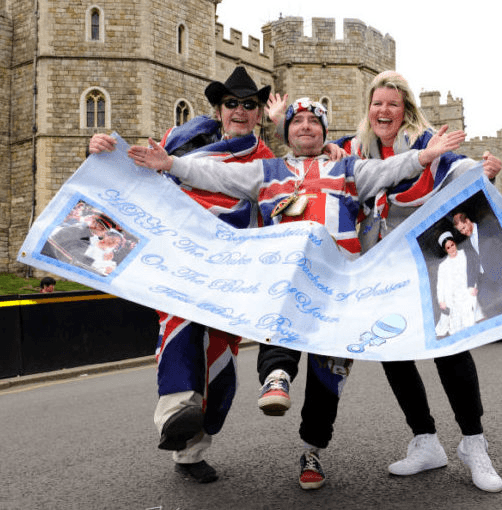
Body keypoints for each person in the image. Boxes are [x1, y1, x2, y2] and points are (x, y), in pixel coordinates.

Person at [127, 96, 468, 490]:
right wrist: (170, 164)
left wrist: (425, 156)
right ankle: (276, 378)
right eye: (298, 121)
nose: (306, 126)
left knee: (328, 378)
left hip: (337, 288)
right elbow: (215, 174)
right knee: (279, 336)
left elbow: (390, 168)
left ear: (324, 132)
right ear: (287, 132)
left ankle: (312, 450)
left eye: (313, 121)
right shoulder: (266, 171)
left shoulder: (349, 169)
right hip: (285, 283)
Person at [88, 66, 274, 483]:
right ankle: (175, 417)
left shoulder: (268, 163)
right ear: (218, 110)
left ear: (259, 113)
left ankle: (193, 444)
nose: (240, 111)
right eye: (231, 103)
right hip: (180, 262)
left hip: (231, 273)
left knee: (220, 365)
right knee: (182, 332)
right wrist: (100, 150)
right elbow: (135, 170)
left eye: (249, 104)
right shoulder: (181, 141)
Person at [322, 71, 502, 493]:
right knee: (395, 352)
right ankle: (425, 441)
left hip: (429, 263)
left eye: (393, 103)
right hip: (381, 268)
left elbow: (464, 172)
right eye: (377, 103)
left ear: (405, 108)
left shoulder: (427, 144)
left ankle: (474, 443)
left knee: (450, 350)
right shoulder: (354, 148)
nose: (384, 110)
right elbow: (320, 165)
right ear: (368, 109)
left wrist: (487, 172)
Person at [452, 209, 502, 319]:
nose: (463, 232)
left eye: (463, 228)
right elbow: (470, 265)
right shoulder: (466, 242)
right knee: (489, 311)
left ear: (467, 221)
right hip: (482, 281)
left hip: (498, 275)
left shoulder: (487, 228)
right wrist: (470, 285)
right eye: (460, 231)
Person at [434, 232, 478, 336]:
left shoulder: (465, 255)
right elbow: (440, 285)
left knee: (470, 324)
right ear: (445, 250)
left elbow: (473, 271)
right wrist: (441, 301)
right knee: (456, 329)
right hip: (453, 299)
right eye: (448, 247)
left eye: (452, 245)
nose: (451, 249)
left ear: (455, 243)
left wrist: (473, 286)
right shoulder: (443, 265)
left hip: (467, 294)